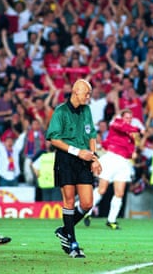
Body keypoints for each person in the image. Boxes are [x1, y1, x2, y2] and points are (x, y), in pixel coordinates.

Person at [46, 79, 102, 258]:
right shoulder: (60, 111)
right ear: (76, 91)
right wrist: (78, 152)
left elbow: (92, 135)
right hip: (66, 159)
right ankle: (72, 243)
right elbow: (54, 138)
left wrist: (94, 158)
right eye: (87, 93)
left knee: (87, 203)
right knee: (69, 201)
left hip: (84, 159)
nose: (89, 97)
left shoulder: (87, 111)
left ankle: (64, 230)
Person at [83, 109, 140, 229]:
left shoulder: (131, 137)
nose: (128, 120)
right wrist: (139, 130)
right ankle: (87, 211)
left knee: (119, 193)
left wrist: (133, 154)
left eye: (130, 118)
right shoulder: (116, 124)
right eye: (126, 117)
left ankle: (111, 220)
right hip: (111, 159)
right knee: (102, 190)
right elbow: (121, 127)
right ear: (122, 117)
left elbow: (130, 152)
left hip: (124, 163)